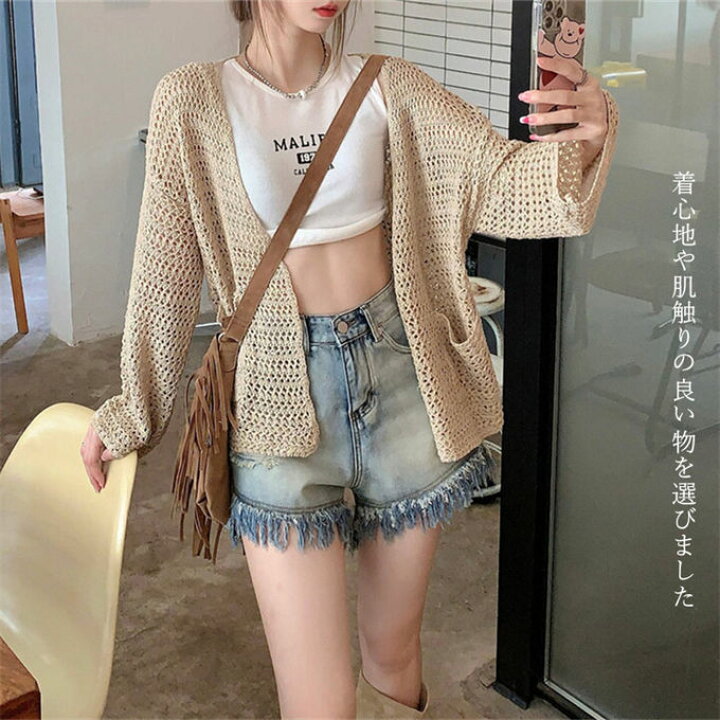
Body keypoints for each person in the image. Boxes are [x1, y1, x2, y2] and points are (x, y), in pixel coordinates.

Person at [80, 1, 619, 717]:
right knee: (320, 700)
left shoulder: (391, 86)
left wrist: (588, 137)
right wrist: (133, 412)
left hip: (401, 379)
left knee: (394, 664)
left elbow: (504, 183)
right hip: (276, 401)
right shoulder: (193, 99)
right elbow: (164, 275)